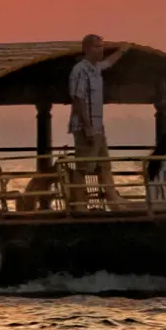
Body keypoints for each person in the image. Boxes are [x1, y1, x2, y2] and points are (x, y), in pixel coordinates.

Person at [68, 34, 126, 203]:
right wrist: (88, 127)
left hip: (98, 126)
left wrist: (122, 51)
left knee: (104, 165)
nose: (100, 50)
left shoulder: (96, 68)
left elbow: (108, 63)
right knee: (84, 167)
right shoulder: (80, 70)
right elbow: (77, 99)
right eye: (96, 47)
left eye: (101, 47)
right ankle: (79, 203)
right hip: (85, 126)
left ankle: (113, 199)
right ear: (86, 49)